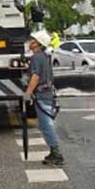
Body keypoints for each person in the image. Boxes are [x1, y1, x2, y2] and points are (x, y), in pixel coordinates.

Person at [24, 29, 63, 166]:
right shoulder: (44, 57)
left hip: (42, 94)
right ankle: (54, 152)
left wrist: (28, 93)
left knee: (46, 125)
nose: (30, 42)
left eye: (33, 40)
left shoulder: (36, 57)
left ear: (38, 44)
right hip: (47, 93)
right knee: (46, 124)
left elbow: (35, 77)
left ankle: (56, 153)